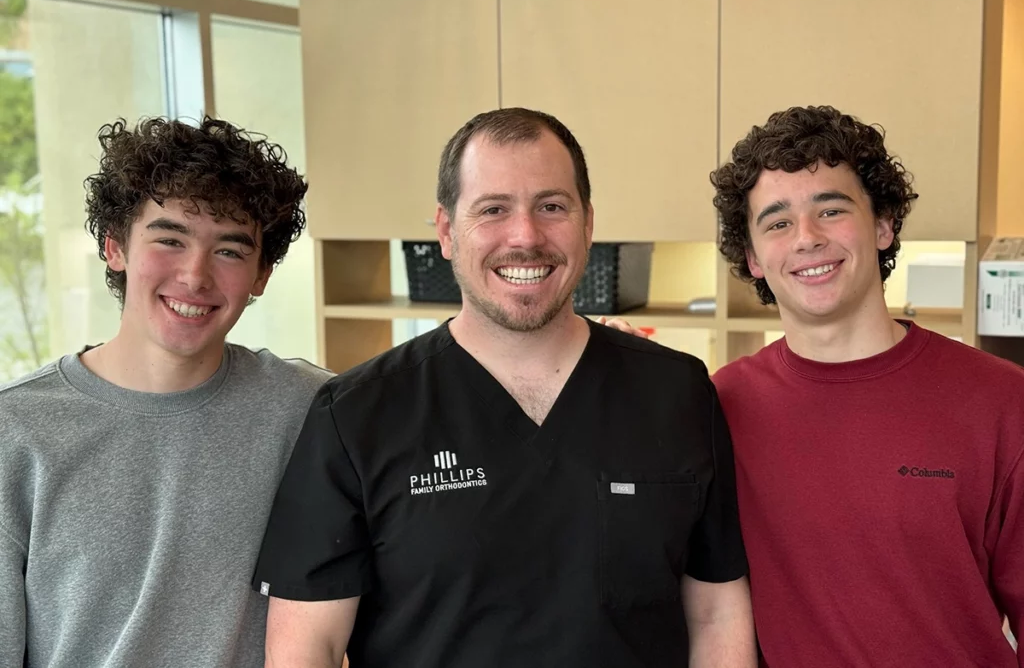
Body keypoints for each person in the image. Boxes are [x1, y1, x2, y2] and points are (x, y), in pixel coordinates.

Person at [251, 107, 756, 667]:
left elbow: (716, 611)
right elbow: (307, 648)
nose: (525, 236)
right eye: (493, 209)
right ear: (445, 231)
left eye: (552, 207)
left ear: (588, 223)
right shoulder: (356, 415)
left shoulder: (676, 391)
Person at [607, 104, 1023, 666]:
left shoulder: (1001, 402)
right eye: (777, 222)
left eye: (831, 209)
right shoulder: (716, 408)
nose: (806, 238)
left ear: (883, 224)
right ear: (753, 258)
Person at [0, 116, 332, 668]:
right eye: (169, 239)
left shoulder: (310, 411)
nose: (195, 276)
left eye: (229, 250)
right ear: (114, 247)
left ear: (261, 275)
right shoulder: (15, 433)